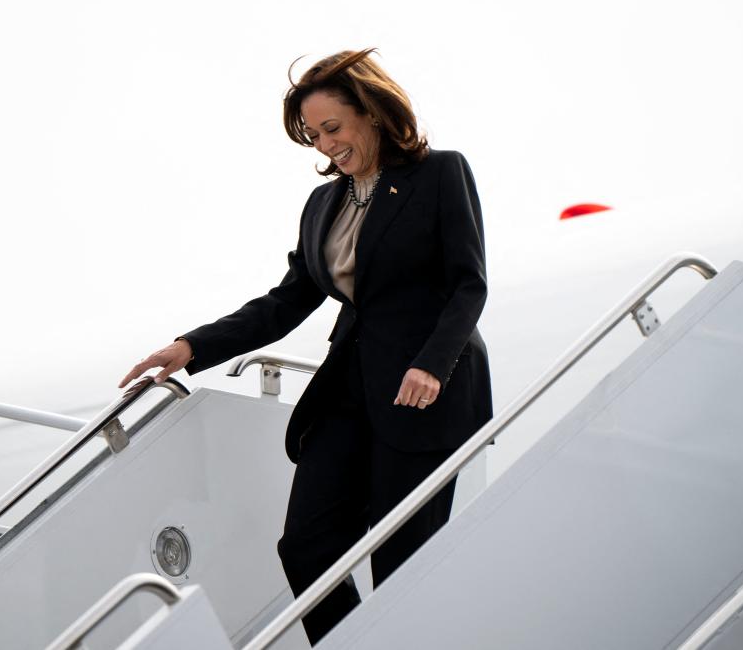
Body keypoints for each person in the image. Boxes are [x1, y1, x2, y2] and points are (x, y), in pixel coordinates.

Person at [118, 47, 493, 645]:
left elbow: (469, 282)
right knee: (306, 547)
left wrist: (432, 364)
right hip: (347, 392)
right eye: (312, 135)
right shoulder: (324, 204)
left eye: (332, 128)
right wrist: (190, 347)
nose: (323, 145)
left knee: (402, 558)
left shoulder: (440, 174)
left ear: (371, 113)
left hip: (424, 394)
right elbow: (287, 301)